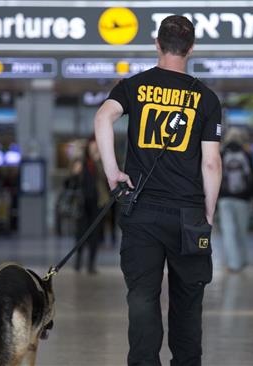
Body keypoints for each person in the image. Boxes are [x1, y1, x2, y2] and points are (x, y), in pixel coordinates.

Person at [94, 15, 222, 366]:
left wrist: (112, 173)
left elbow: (103, 118)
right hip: (188, 214)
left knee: (143, 299)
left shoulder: (134, 86)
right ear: (192, 48)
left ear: (157, 43)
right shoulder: (206, 98)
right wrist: (208, 212)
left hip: (142, 212)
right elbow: (211, 163)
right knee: (188, 302)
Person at [218, 128, 253, 272]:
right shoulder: (246, 154)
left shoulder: (221, 153)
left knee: (228, 231)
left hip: (225, 198)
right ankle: (243, 259)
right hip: (243, 198)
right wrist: (252, 196)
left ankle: (234, 264)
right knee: (242, 230)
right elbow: (252, 178)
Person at [74, 138, 104, 275]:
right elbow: (72, 179)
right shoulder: (82, 162)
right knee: (80, 233)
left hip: (97, 203)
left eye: (96, 147)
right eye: (92, 147)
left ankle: (91, 264)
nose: (94, 149)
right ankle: (78, 262)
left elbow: (106, 178)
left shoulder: (103, 161)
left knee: (94, 235)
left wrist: (99, 161)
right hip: (82, 203)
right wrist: (76, 168)